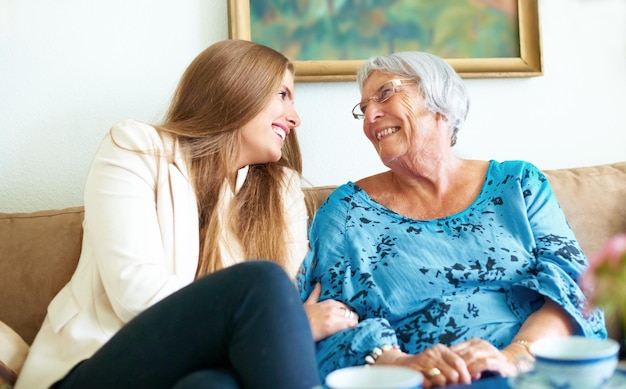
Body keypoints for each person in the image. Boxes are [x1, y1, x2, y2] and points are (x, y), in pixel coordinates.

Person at [15, 39, 322, 389]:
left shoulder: (281, 191)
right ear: (237, 86)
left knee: (211, 387)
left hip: (190, 376)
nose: (295, 118)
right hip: (96, 367)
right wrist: (249, 322)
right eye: (283, 95)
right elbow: (135, 292)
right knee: (261, 281)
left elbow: (282, 317)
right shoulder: (135, 148)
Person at [297, 51, 607, 387]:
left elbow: (573, 287)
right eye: (363, 108)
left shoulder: (518, 185)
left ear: (440, 102)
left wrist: (513, 356)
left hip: (531, 371)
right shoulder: (345, 211)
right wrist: (405, 364)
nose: (370, 115)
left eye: (385, 93)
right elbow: (331, 317)